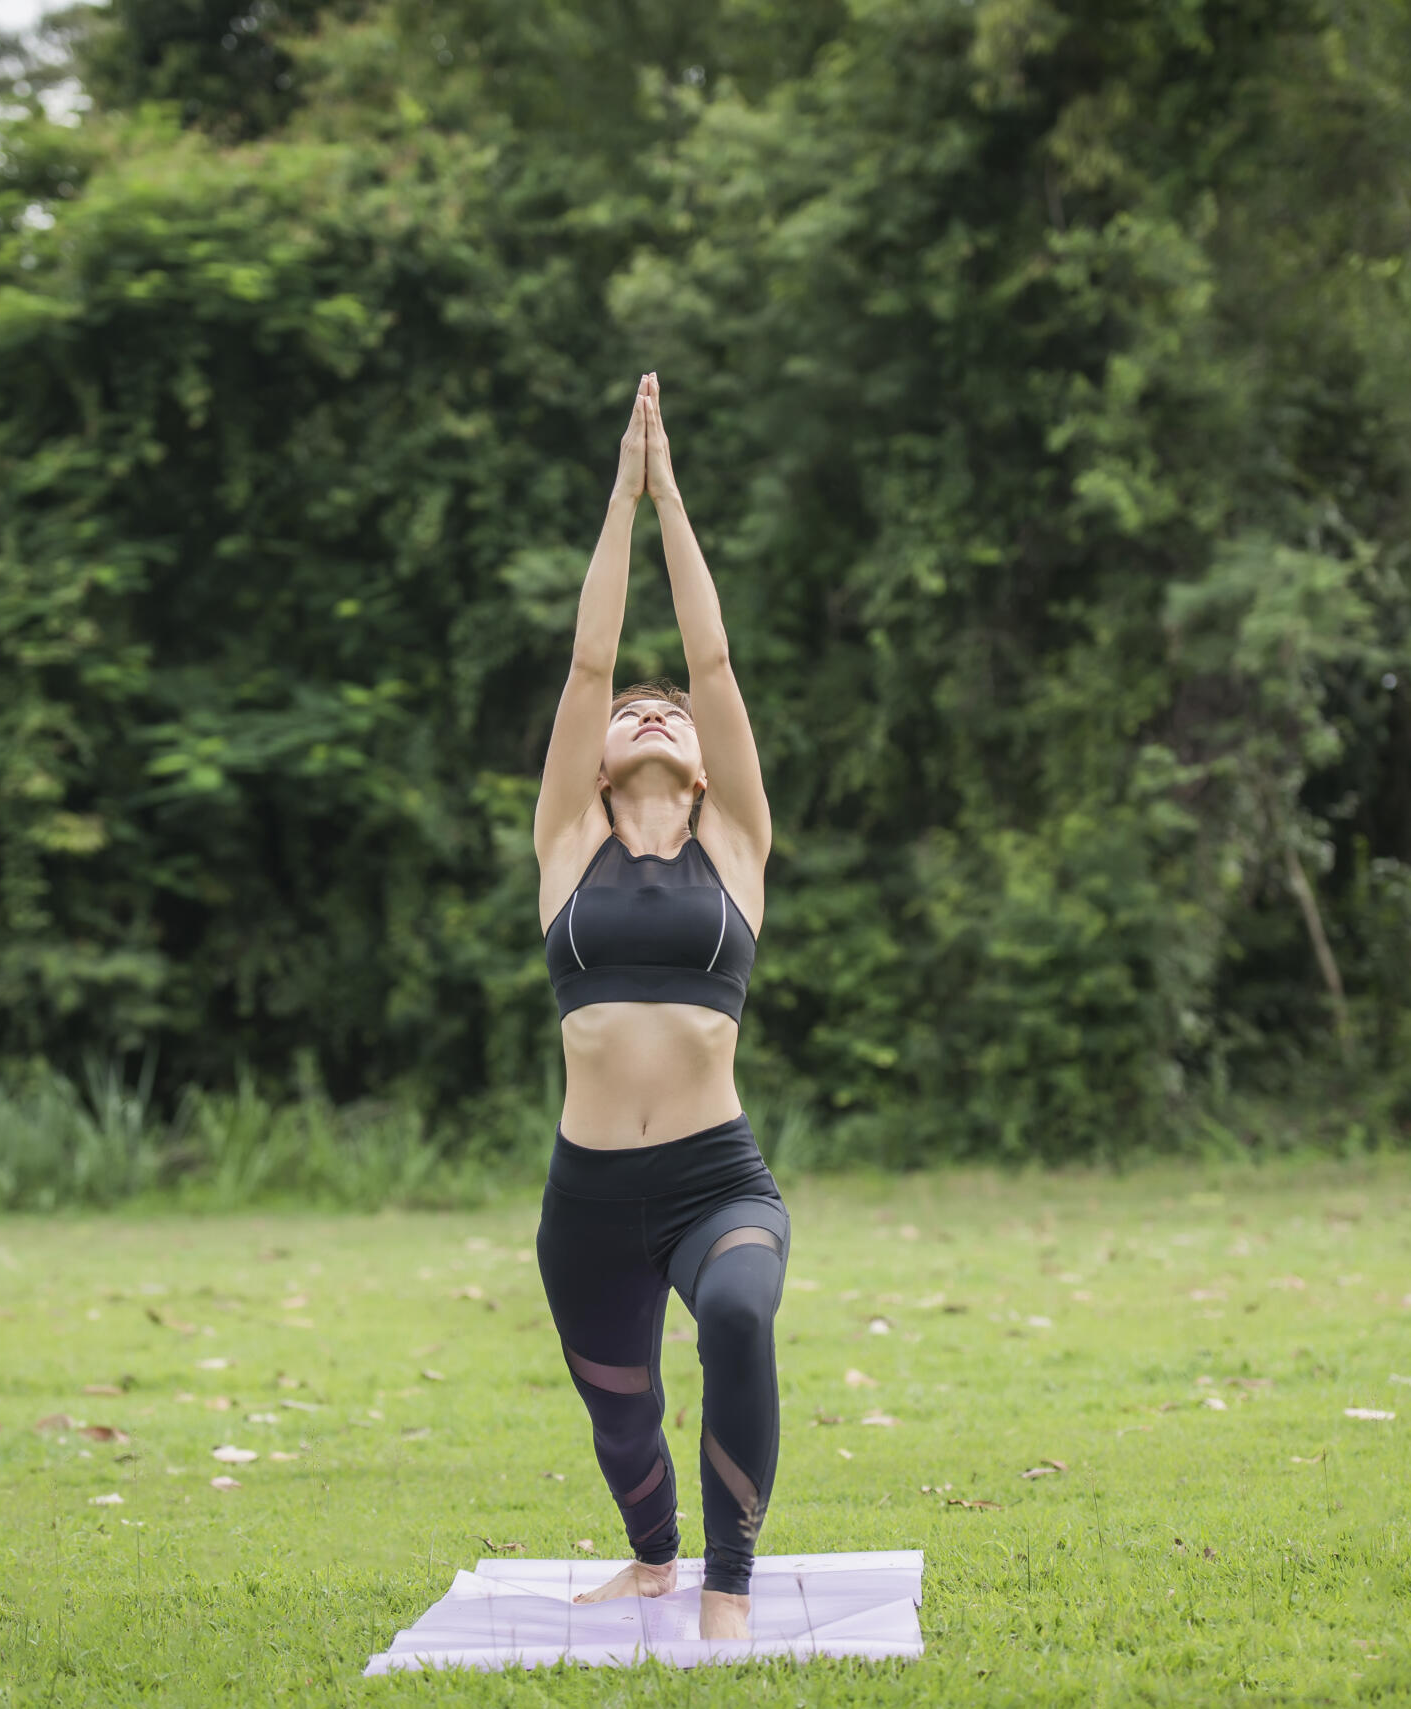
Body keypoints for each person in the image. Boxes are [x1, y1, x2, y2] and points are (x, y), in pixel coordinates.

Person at [532, 372, 786, 1643]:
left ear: (698, 763)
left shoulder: (735, 842)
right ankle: (651, 1563)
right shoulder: (566, 841)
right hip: (587, 1195)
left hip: (712, 1178)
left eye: (669, 715)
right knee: (621, 1417)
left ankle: (727, 1590)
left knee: (738, 1314)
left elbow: (711, 657)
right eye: (630, 711)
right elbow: (589, 655)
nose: (649, 704)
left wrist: (670, 492)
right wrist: (615, 501)